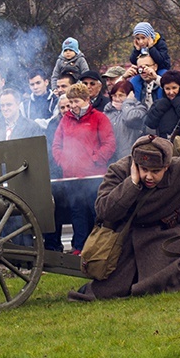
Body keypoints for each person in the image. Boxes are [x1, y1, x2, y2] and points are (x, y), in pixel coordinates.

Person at [67, 126, 180, 301]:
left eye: (155, 171)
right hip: (129, 242)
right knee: (108, 292)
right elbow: (104, 210)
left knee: (173, 282)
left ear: (167, 166)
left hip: (169, 240)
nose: (149, 176)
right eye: (144, 169)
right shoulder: (119, 170)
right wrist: (131, 183)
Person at [53, 83, 116, 255]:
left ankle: (100, 247)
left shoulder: (99, 118)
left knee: (97, 212)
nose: (72, 106)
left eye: (76, 101)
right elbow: (56, 145)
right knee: (77, 212)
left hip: (94, 177)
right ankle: (79, 247)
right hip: (72, 177)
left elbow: (109, 144)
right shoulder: (66, 120)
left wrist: (95, 160)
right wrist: (64, 162)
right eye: (70, 102)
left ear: (87, 99)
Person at [44, 95, 71, 252]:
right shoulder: (53, 124)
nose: (65, 110)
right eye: (62, 107)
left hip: (74, 170)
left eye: (68, 106)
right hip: (56, 172)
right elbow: (50, 148)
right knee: (55, 210)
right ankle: (53, 245)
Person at [145, 70, 180, 142]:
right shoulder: (159, 103)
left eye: (174, 88)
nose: (171, 92)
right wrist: (160, 107)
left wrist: (178, 102)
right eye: (167, 89)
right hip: (163, 144)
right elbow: (150, 123)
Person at [104, 80, 147, 162]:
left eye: (121, 95)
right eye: (114, 95)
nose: (117, 99)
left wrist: (127, 102)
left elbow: (129, 118)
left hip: (130, 158)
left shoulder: (140, 109)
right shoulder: (108, 111)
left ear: (130, 95)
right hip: (110, 159)